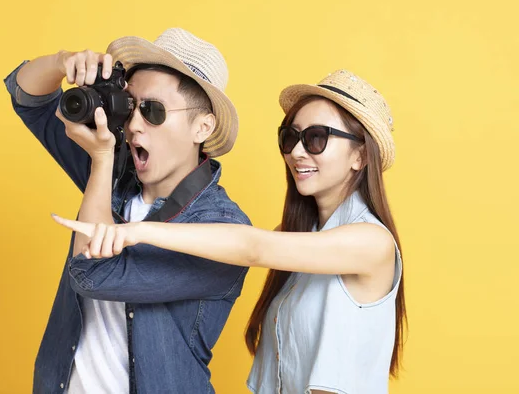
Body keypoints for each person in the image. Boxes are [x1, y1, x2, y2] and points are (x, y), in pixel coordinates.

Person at [53, 69, 407, 394]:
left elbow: (252, 246)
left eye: (316, 138)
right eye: (290, 137)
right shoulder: (297, 237)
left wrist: (137, 232)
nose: (297, 151)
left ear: (360, 156)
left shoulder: (371, 243)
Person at [3, 28, 251, 394]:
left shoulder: (224, 229)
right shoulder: (116, 175)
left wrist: (101, 159)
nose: (134, 125)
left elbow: (93, 274)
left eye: (153, 111)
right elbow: (28, 98)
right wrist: (62, 62)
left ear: (202, 126)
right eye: (131, 107)